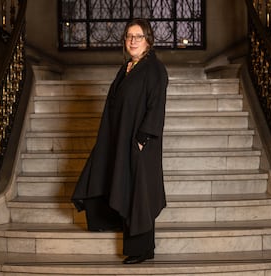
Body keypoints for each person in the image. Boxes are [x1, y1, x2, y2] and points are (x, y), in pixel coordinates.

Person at [71, 18, 168, 265]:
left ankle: (142, 249)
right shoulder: (127, 67)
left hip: (140, 143)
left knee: (139, 195)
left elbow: (156, 107)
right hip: (120, 139)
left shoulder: (154, 69)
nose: (132, 41)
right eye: (129, 36)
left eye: (138, 36)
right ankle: (125, 234)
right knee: (124, 187)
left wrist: (143, 138)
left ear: (149, 40)